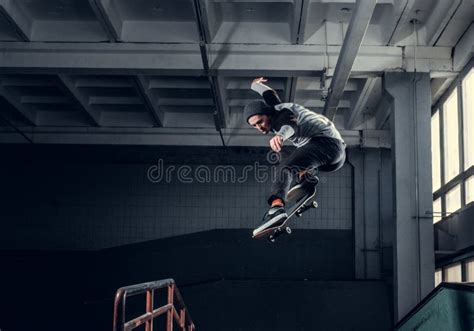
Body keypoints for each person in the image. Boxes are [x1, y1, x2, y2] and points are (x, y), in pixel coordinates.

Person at [244, 77, 346, 236]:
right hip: (333, 157)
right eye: (255, 126)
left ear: (267, 114)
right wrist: (255, 84)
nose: (260, 127)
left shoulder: (282, 116)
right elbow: (269, 93)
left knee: (285, 167)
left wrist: (281, 136)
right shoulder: (273, 106)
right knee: (284, 154)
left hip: (327, 145)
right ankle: (306, 177)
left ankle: (276, 208)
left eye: (260, 122)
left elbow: (290, 124)